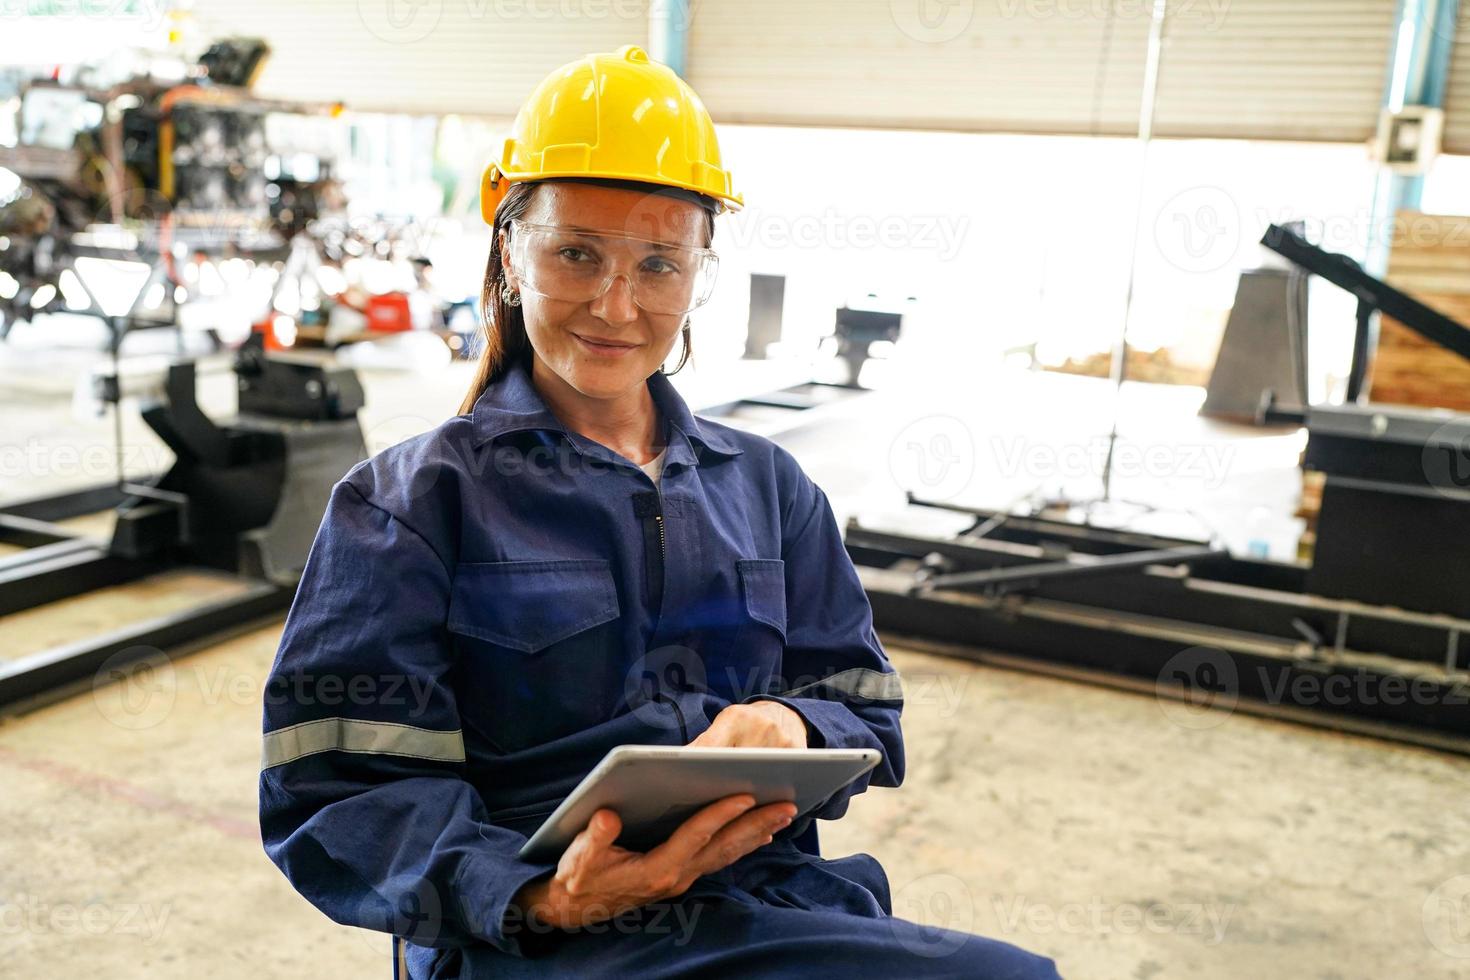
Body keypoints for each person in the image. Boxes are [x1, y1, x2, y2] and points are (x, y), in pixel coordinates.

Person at [259, 45, 1062, 979]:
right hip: (531, 941)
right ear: (510, 255)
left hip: (754, 901)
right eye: (576, 254)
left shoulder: (769, 488)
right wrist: (540, 897)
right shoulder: (407, 506)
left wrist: (793, 727)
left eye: (659, 266)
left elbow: (866, 709)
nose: (616, 304)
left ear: (698, 276)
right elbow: (336, 789)